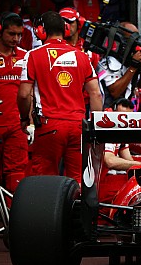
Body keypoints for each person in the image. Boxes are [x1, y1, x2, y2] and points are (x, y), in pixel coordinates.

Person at [17, 11, 102, 185]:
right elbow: (96, 93)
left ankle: (47, 213)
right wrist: (95, 125)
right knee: (78, 181)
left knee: (45, 181)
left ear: (41, 30)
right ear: (65, 30)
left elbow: (24, 94)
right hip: (78, 126)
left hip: (49, 126)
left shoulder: (32, 55)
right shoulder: (82, 56)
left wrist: (25, 118)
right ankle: (76, 212)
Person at [0, 12, 28, 198]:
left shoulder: (25, 57)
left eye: (19, 35)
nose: (16, 39)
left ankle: (13, 216)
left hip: (17, 125)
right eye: (11, 34)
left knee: (16, 172)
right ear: (0, 31)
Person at [99, 98, 141, 202]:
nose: (125, 119)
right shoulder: (107, 125)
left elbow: (128, 158)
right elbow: (110, 161)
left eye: (128, 117)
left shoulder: (121, 127)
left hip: (104, 177)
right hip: (96, 181)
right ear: (115, 109)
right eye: (123, 116)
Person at [96, 21, 141, 108]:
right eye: (132, 40)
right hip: (107, 114)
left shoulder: (130, 61)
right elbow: (115, 92)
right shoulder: (108, 62)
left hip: (127, 114)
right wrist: (133, 67)